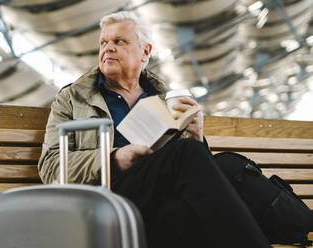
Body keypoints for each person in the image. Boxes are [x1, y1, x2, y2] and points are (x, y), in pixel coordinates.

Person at [38, 11, 271, 248]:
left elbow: (196, 180)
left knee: (177, 214)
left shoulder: (164, 100)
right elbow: (50, 167)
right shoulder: (73, 98)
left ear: (145, 52)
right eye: (103, 42)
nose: (108, 48)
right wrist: (113, 158)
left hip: (155, 197)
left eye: (119, 41)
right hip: (103, 196)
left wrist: (195, 135)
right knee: (186, 153)